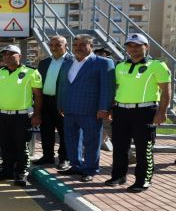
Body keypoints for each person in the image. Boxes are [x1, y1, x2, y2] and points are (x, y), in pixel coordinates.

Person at [107, 34, 172, 192]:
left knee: (144, 148)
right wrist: (110, 108)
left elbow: (166, 90)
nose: (133, 48)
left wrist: (162, 112)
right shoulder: (120, 66)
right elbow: (115, 89)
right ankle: (118, 176)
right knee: (120, 146)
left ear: (146, 47)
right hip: (121, 111)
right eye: (130, 45)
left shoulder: (157, 65)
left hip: (145, 111)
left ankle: (143, 180)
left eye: (138, 45)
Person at [57, 34, 115, 182]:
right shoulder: (67, 62)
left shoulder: (103, 63)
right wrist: (61, 104)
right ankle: (76, 166)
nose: (79, 48)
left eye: (83, 45)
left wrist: (104, 108)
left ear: (91, 46)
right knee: (71, 140)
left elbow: (107, 88)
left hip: (91, 111)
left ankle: (90, 169)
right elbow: (63, 85)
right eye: (76, 45)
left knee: (92, 142)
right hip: (69, 109)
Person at [0, 45, 43, 186]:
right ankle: (7, 170)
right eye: (5, 54)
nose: (7, 56)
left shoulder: (31, 72)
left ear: (19, 56)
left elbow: (38, 95)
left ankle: (21, 173)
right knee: (5, 145)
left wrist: (37, 115)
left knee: (21, 145)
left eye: (11, 54)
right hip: (2, 115)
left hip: (21, 116)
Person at [33, 36, 72, 170]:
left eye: (58, 44)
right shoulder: (44, 63)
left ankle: (64, 158)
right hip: (45, 101)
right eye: (52, 45)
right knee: (46, 131)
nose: (54, 47)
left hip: (63, 102)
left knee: (64, 132)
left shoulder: (72, 61)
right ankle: (47, 156)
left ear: (66, 45)